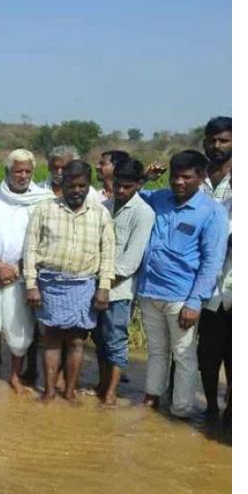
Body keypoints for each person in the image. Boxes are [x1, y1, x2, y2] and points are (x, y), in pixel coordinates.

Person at [136, 150, 228, 419]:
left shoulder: (212, 212)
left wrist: (195, 301)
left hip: (182, 296)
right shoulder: (159, 198)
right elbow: (126, 196)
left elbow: (213, 260)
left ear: (201, 178)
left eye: (186, 177)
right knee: (156, 351)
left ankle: (181, 410)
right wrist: (144, 178)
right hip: (149, 290)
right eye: (175, 177)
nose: (178, 183)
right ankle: (151, 398)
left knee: (184, 355)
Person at [24, 160, 115, 403]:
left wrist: (104, 287)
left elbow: (108, 253)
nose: (76, 190)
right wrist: (31, 284)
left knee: (77, 341)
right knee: (51, 339)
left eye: (82, 186)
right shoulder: (45, 209)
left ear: (89, 186)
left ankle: (70, 391)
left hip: (84, 284)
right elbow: (31, 248)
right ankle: (50, 391)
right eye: (71, 185)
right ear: (62, 184)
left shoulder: (100, 213)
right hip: (51, 282)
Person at [0, 149, 52, 392]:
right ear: (7, 171)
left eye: (28, 171)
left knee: (20, 329)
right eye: (18, 171)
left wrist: (18, 268)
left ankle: (14, 377)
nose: (23, 175)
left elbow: (44, 240)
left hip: (22, 275)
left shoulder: (43, 199)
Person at [92, 159, 154, 407]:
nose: (120, 191)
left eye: (126, 187)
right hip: (97, 286)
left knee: (116, 339)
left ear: (138, 185)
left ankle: (111, 393)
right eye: (116, 185)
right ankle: (101, 384)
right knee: (98, 338)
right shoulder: (104, 207)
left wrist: (103, 284)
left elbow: (130, 262)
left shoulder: (143, 213)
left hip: (119, 290)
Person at [199, 115, 232, 422]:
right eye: (213, 140)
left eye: (224, 140)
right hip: (203, 280)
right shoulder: (197, 178)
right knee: (206, 353)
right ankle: (209, 407)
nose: (218, 146)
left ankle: (233, 409)